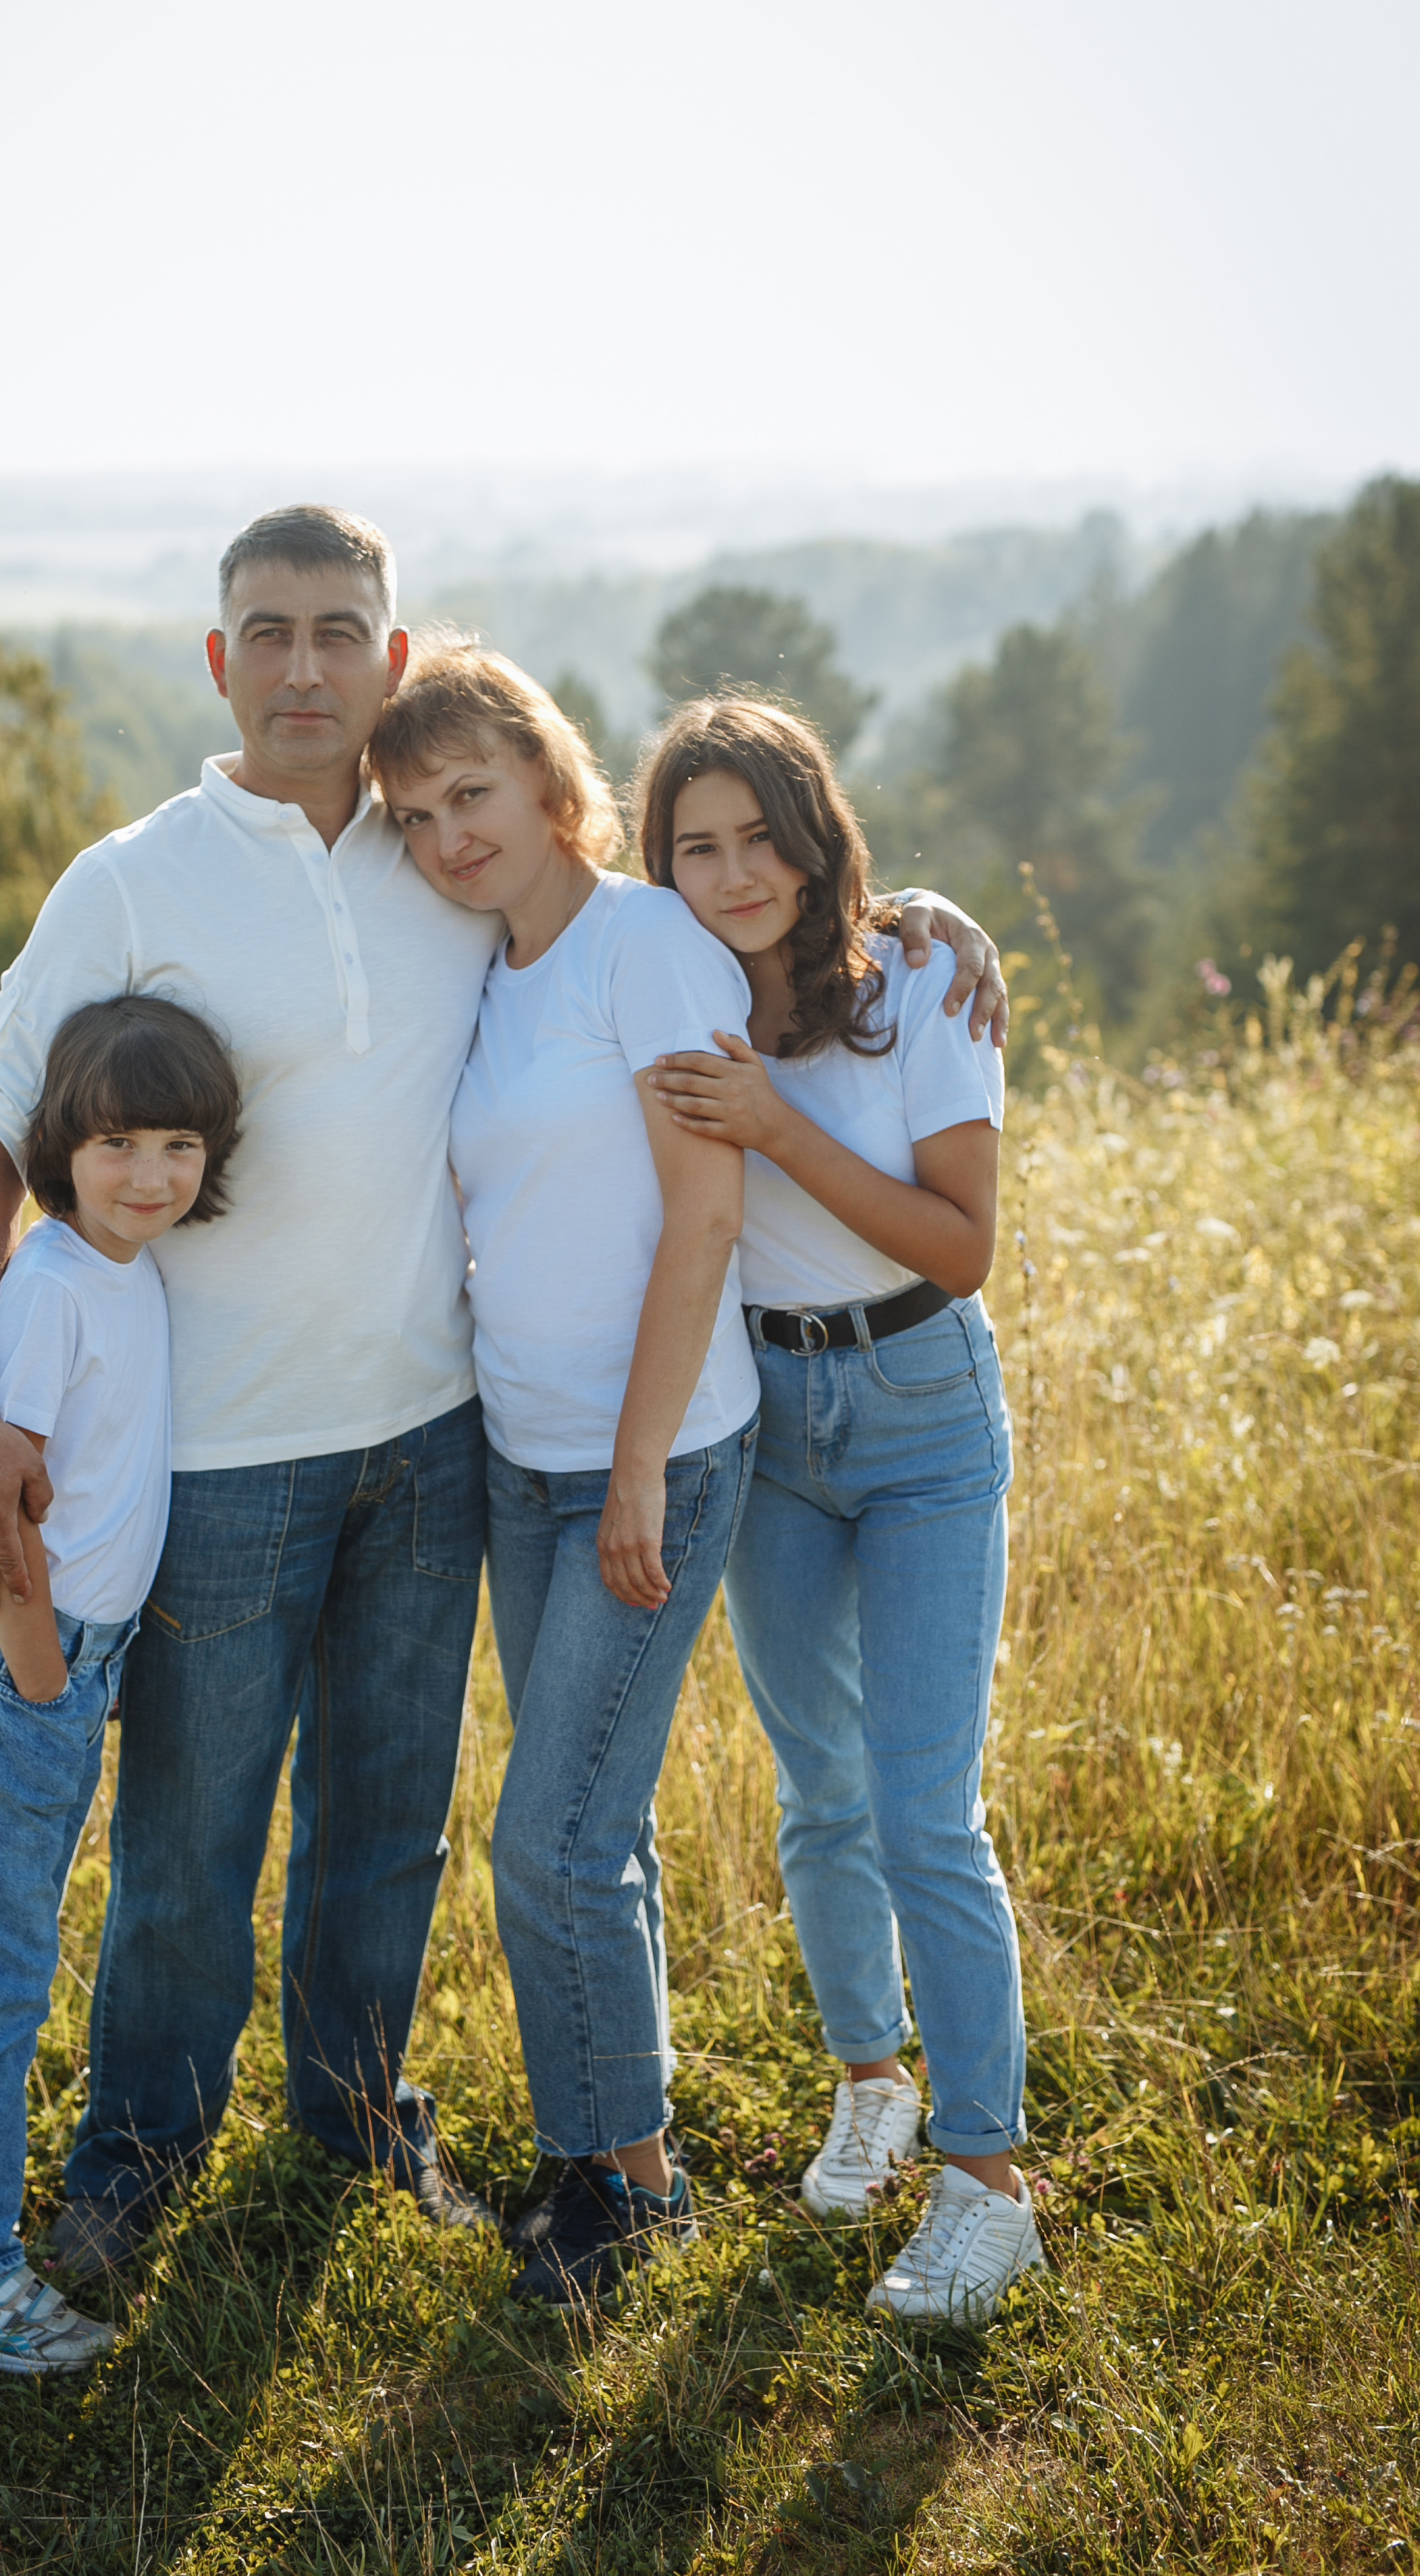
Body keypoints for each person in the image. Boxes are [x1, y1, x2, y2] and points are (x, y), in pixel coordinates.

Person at [0, 502, 1008, 2280]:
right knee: (192, 1839)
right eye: (269, 634)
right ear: (220, 659)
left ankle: (360, 2118)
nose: (305, 668)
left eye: (337, 631)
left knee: (394, 1832)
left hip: (438, 1443)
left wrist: (915, 916)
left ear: (393, 658)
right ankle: (136, 2160)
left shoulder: (457, 877)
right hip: (227, 1448)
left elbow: (709, 927)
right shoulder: (137, 880)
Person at [643, 696, 1042, 2327]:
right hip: (767, 1417)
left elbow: (961, 1245)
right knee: (818, 1789)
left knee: (921, 1808)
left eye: (762, 837)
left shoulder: (921, 983)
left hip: (920, 1407)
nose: (736, 874)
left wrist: (776, 1127)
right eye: (697, 847)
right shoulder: (665, 994)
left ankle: (988, 2182)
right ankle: (872, 2082)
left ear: (818, 841)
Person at [370, 645, 761, 2306]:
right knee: (594, 1825)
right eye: (415, 815)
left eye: (472, 793)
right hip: (519, 1461)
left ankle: (625, 2189)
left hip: (646, 1458)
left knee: (548, 1841)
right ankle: (609, 2158)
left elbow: (706, 1213)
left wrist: (636, 1470)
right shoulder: (489, 967)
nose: (449, 836)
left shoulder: (642, 944)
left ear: (546, 779)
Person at [0, 993, 241, 2372]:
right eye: (117, 1145)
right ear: (61, 1150)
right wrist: (44, 1679)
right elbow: (7, 1516)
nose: (149, 1175)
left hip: (64, 1668)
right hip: (12, 1671)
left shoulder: (128, 1268)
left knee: (10, 1969)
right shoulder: (47, 1286)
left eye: (178, 1145)